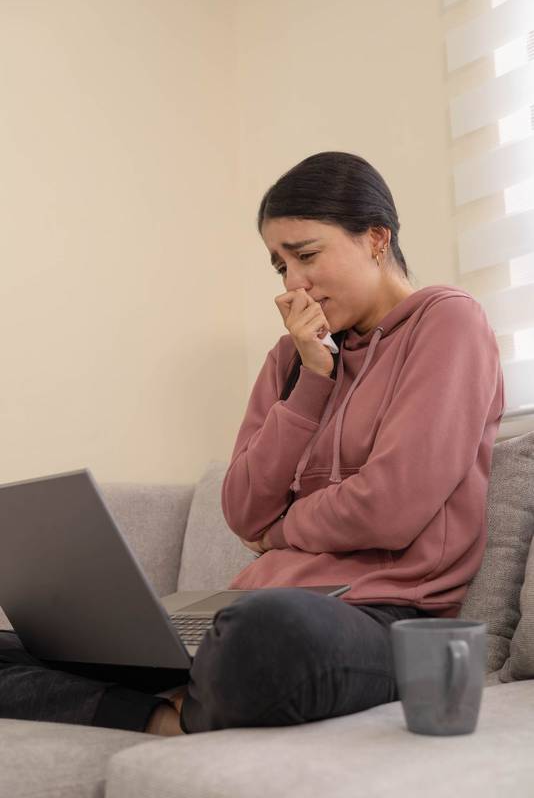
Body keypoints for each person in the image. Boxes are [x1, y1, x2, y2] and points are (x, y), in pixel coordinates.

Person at [0, 151, 505, 737]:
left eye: (307, 255)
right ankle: (166, 716)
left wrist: (281, 531)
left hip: (376, 617)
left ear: (375, 237)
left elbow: (390, 507)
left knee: (267, 632)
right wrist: (313, 379)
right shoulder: (291, 359)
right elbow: (242, 509)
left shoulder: (448, 323)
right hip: (241, 614)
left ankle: (182, 695)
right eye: (280, 266)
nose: (294, 284)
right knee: (127, 633)